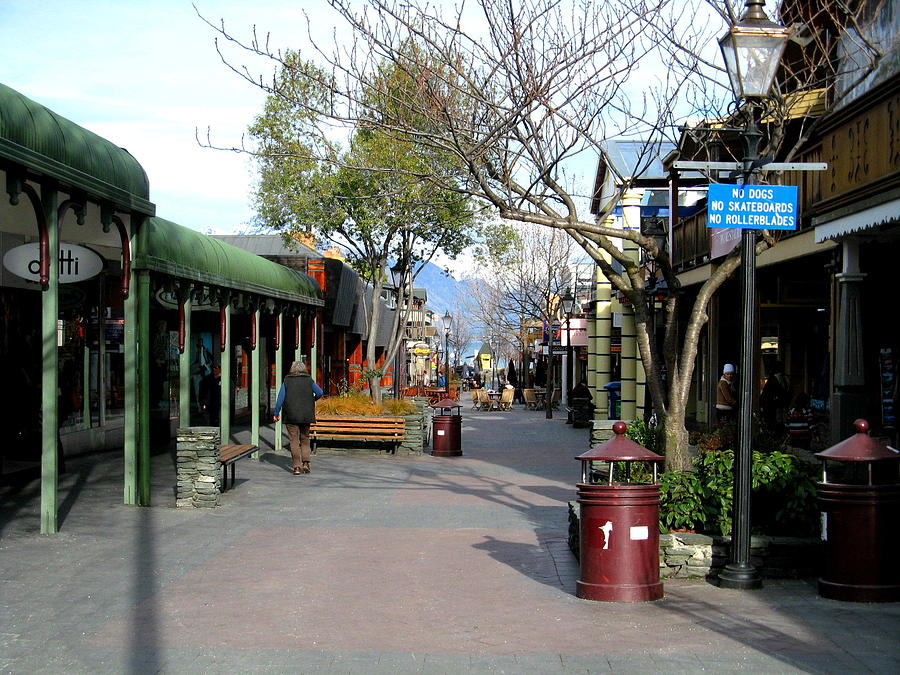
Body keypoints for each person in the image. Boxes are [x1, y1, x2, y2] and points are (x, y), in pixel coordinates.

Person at [273, 361, 324, 475]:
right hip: (306, 415)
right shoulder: (309, 380)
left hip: (291, 415)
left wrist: (276, 412)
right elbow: (320, 392)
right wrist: (312, 399)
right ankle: (306, 463)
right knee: (305, 439)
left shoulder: (287, 380)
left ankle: (296, 467)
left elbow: (280, 398)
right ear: (304, 369)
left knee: (294, 440)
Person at [760, 361, 790, 433]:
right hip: (783, 407)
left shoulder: (773, 379)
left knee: (774, 427)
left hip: (773, 409)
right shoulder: (786, 379)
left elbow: (766, 396)